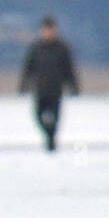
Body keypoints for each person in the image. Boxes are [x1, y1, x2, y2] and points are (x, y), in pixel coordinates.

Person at [20, 15, 79, 151]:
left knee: (55, 118)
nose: (48, 33)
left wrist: (73, 86)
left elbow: (69, 69)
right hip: (40, 89)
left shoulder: (62, 48)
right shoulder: (35, 48)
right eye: (46, 30)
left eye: (50, 30)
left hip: (56, 89)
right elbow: (28, 68)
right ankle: (49, 137)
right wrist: (23, 85)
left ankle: (51, 142)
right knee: (38, 115)